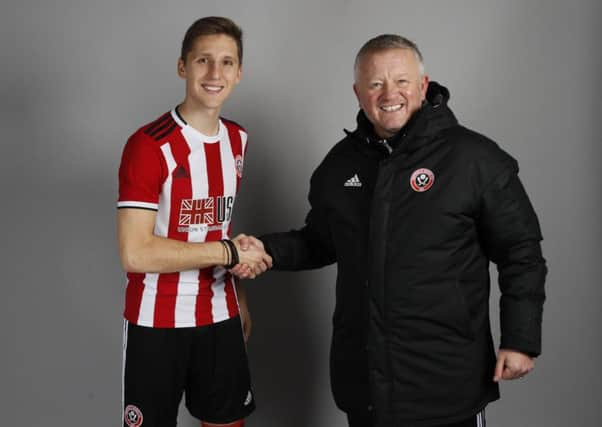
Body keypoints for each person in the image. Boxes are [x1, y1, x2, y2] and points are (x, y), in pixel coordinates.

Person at [233, 35, 546, 427]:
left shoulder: (473, 160)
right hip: (365, 382)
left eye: (401, 81)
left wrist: (520, 339)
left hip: (446, 380)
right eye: (375, 83)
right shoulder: (339, 165)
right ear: (358, 92)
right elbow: (321, 241)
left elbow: (522, 253)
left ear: (423, 85)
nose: (389, 94)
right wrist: (265, 249)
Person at [116, 16, 272, 427]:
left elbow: (218, 228)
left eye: (226, 62)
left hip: (220, 313)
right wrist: (228, 251)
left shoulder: (237, 139)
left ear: (239, 73)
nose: (215, 73)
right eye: (203, 60)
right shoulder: (149, 145)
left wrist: (237, 295)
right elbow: (135, 252)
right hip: (157, 319)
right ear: (183, 67)